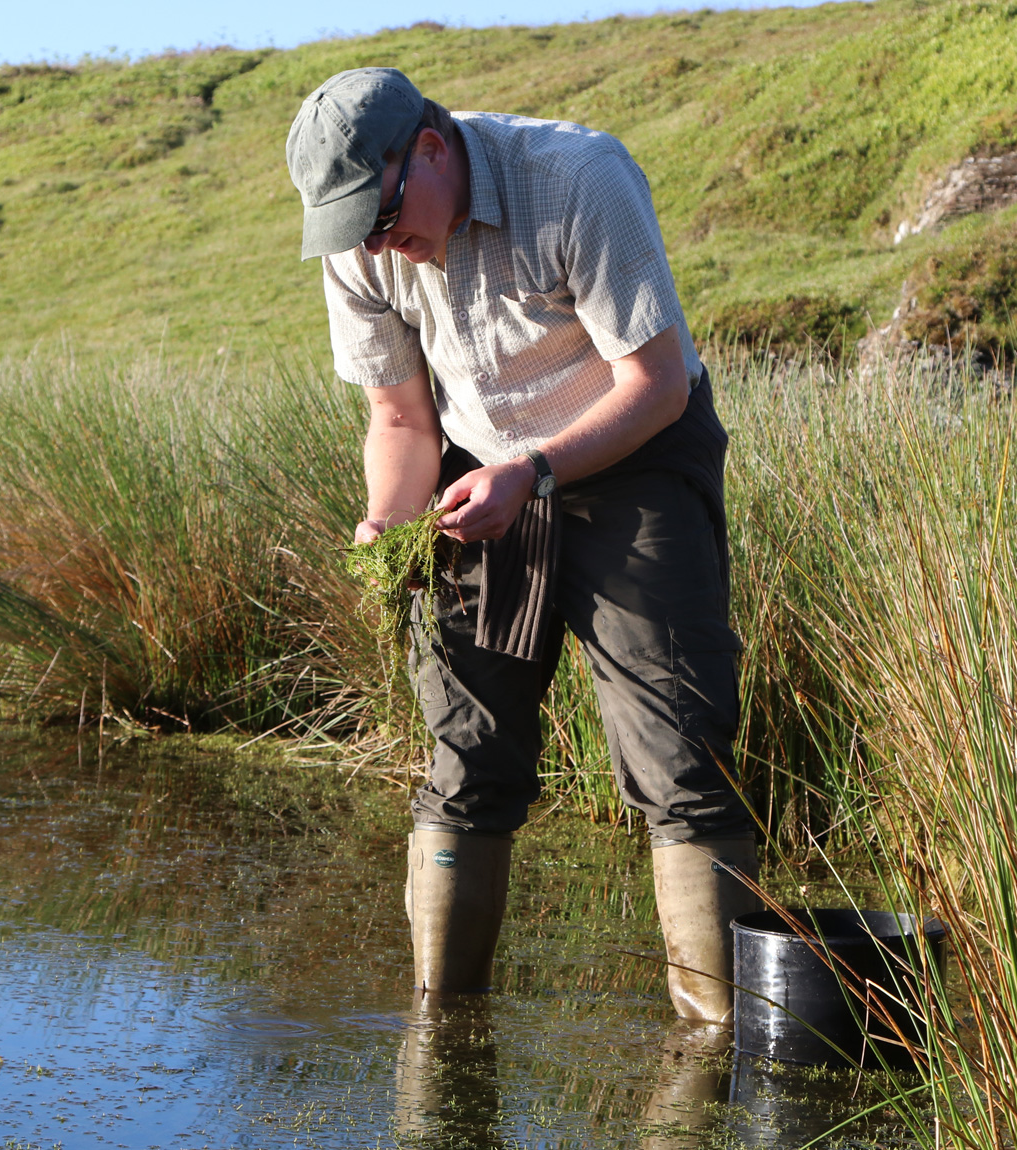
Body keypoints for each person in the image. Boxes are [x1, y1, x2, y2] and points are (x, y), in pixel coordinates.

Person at [286, 67, 759, 1024]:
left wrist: (534, 474)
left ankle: (712, 1042)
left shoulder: (580, 180)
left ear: (427, 148)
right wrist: (387, 519)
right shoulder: (359, 246)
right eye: (354, 234)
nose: (382, 250)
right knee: (467, 755)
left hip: (632, 454)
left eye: (381, 221)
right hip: (475, 467)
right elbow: (401, 420)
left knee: (681, 753)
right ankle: (443, 1032)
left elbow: (658, 383)